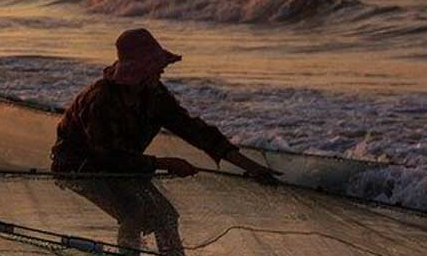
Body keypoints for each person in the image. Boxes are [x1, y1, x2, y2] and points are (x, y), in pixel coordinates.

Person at [50, 27, 280, 181]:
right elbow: (107, 155)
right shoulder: (101, 100)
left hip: (127, 165)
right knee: (143, 215)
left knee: (159, 217)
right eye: (155, 65)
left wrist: (252, 167)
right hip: (79, 168)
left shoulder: (154, 94)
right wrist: (163, 163)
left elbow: (192, 129)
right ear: (140, 69)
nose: (162, 69)